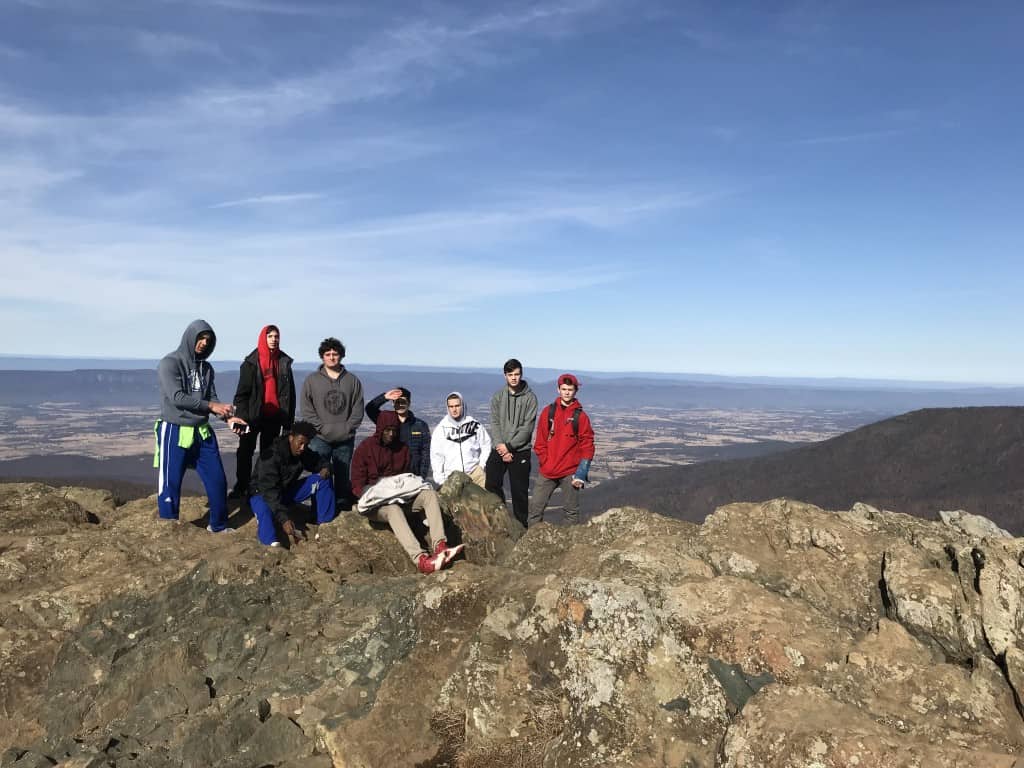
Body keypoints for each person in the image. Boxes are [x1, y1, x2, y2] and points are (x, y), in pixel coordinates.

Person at [351, 412, 463, 574]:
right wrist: (375, 492)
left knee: (429, 495)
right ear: (380, 429)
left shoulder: (402, 449)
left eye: (394, 430)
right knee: (393, 509)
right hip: (377, 506)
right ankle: (421, 560)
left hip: (402, 500)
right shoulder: (365, 449)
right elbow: (357, 484)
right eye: (387, 430)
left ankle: (440, 546)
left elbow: (408, 478)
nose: (391, 434)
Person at [155, 319, 234, 532]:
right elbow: (177, 397)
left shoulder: (206, 368)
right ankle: (168, 528)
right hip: (174, 430)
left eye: (208, 340)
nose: (203, 343)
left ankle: (218, 525)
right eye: (200, 338)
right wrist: (212, 406)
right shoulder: (169, 363)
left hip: (202, 432)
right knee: (170, 484)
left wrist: (229, 418)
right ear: (190, 337)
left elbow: (213, 400)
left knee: (217, 480)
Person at [229, 324, 295, 499]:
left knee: (269, 455)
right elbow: (241, 394)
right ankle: (241, 487)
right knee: (245, 452)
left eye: (276, 336)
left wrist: (288, 422)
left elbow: (290, 394)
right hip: (251, 415)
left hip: (273, 417)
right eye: (270, 336)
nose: (274, 339)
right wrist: (242, 418)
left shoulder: (283, 362)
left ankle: (261, 487)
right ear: (263, 338)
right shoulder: (251, 363)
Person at [300, 337, 364, 509]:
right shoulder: (311, 380)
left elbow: (358, 409)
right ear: (322, 357)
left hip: (345, 439)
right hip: (319, 439)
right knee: (320, 476)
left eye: (335, 354)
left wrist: (348, 428)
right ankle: (318, 511)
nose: (331, 357)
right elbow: (307, 409)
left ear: (341, 356)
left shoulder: (352, 380)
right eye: (327, 354)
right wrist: (321, 428)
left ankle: (342, 512)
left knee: (343, 476)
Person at [249, 421, 335, 547]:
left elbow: (320, 462)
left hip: (285, 492)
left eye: (306, 444)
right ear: (291, 438)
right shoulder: (271, 457)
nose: (302, 448)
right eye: (300, 443)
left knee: (323, 479)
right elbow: (269, 492)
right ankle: (271, 546)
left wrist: (326, 468)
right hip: (262, 495)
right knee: (264, 509)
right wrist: (284, 519)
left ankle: (324, 525)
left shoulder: (302, 452)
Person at [528, 373, 595, 527]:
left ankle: (568, 548)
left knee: (571, 513)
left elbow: (587, 445)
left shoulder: (581, 417)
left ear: (575, 391)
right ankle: (531, 545)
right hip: (548, 471)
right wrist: (546, 462)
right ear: (558, 389)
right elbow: (540, 442)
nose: (566, 392)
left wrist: (581, 473)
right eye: (563, 389)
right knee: (535, 511)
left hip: (569, 472)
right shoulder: (548, 412)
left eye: (570, 389)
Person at [484, 358, 538, 527]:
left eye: (517, 374)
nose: (514, 378)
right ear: (504, 376)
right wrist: (501, 447)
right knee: (491, 482)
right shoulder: (498, 397)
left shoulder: (530, 398)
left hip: (520, 450)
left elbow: (527, 429)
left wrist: (509, 447)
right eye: (510, 375)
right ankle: (501, 519)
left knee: (519, 492)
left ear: (521, 375)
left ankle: (521, 527)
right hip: (500, 447)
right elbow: (495, 422)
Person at [366, 387, 431, 483]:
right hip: (390, 476)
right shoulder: (386, 421)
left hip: (413, 476)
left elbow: (425, 453)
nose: (400, 405)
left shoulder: (420, 425)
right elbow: (370, 409)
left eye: (403, 401)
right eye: (397, 402)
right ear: (393, 404)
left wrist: (421, 477)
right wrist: (384, 397)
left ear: (409, 403)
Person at [431, 391, 492, 487]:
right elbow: (436, 456)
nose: (454, 409)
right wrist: (440, 480)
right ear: (447, 408)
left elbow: (486, 444)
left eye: (457, 406)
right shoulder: (441, 429)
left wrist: (481, 465)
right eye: (451, 407)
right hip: (452, 478)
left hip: (475, 476)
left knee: (482, 502)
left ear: (463, 405)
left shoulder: (474, 425)